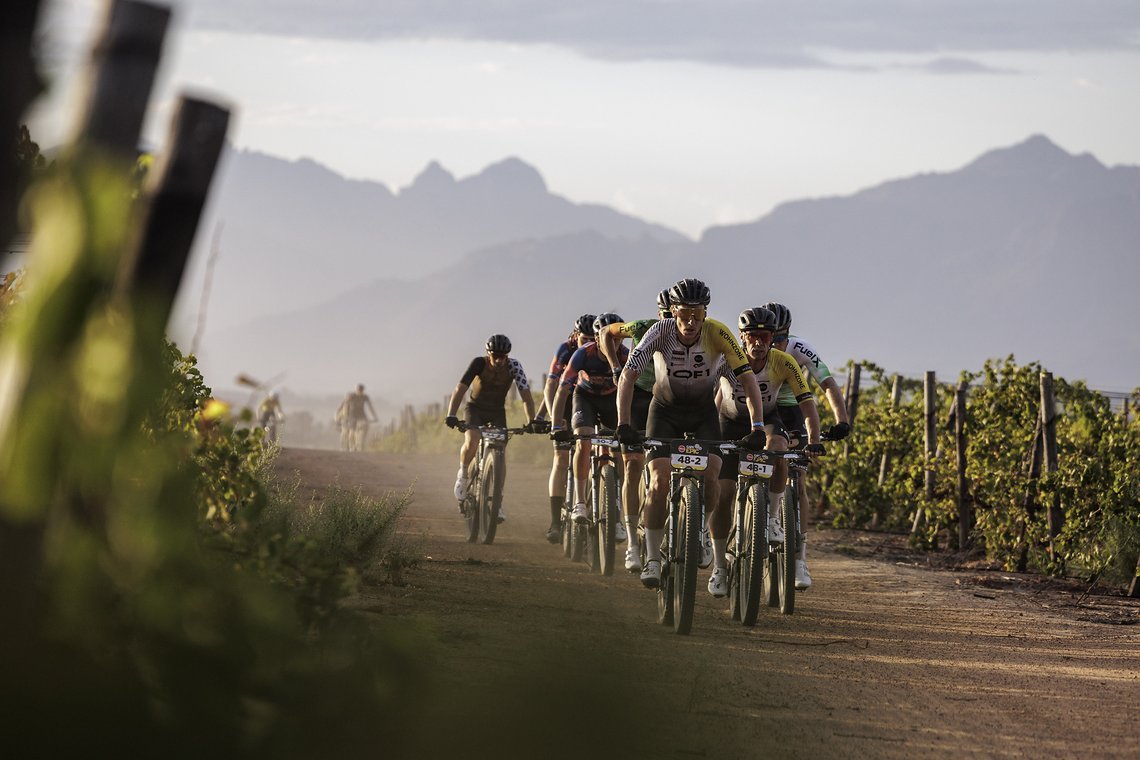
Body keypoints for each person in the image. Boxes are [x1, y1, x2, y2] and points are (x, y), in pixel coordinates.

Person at [613, 278, 767, 589]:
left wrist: (758, 426)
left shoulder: (717, 333)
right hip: (664, 410)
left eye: (697, 315)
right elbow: (628, 375)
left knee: (712, 474)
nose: (691, 322)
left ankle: (700, 533)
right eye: (684, 315)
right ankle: (654, 558)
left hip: (702, 414)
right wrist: (623, 424)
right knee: (658, 480)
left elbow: (748, 380)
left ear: (705, 313)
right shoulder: (659, 332)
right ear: (673, 312)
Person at [710, 307, 823, 598]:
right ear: (742, 337)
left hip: (768, 422)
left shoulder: (783, 362)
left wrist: (813, 438)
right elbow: (702, 389)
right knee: (722, 494)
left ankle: (771, 519)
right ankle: (720, 567)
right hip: (729, 423)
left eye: (765, 336)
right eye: (753, 337)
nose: (759, 343)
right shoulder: (725, 359)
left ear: (773, 338)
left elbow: (807, 402)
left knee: (779, 450)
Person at [762, 302, 851, 590]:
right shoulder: (750, 344)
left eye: (780, 338)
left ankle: (800, 558)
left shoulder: (800, 348)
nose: (774, 344)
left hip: (791, 407)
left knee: (798, 478)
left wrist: (842, 421)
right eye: (769, 338)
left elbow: (826, 383)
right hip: (763, 406)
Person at [597, 288, 674, 572]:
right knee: (632, 468)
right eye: (666, 315)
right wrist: (616, 366)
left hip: (670, 403)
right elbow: (607, 332)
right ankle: (631, 543)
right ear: (659, 315)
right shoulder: (643, 327)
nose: (672, 320)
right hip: (640, 398)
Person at [445, 334, 542, 523]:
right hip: (475, 409)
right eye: (495, 355)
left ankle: (496, 501)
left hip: (497, 411)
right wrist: (451, 414)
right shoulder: (478, 363)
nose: (499, 360)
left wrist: (531, 421)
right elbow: (460, 389)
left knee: (500, 452)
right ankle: (463, 474)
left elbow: (526, 395)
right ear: (488, 353)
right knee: (472, 440)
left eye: (503, 356)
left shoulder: (514, 366)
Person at [549, 312, 628, 534]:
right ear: (597, 338)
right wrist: (556, 427)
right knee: (583, 441)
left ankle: (618, 513)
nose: (613, 344)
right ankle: (580, 503)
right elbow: (563, 390)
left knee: (620, 451)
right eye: (608, 338)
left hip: (612, 401)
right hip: (585, 397)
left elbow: (633, 390)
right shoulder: (583, 354)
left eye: (618, 339)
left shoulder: (625, 355)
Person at [541, 314, 595, 542]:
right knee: (561, 459)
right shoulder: (566, 349)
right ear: (575, 336)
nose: (590, 343)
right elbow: (552, 384)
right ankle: (555, 522)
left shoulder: (601, 350)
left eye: (594, 338)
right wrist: (555, 419)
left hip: (589, 401)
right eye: (585, 339)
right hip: (565, 402)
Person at [337, 384, 379, 452]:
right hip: (352, 416)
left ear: (363, 391)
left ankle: (359, 445)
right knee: (351, 434)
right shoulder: (352, 396)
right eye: (359, 390)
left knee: (364, 428)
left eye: (361, 391)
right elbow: (344, 403)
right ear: (356, 390)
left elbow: (370, 407)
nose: (360, 392)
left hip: (362, 416)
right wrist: (338, 413)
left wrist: (375, 416)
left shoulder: (365, 397)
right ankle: (351, 447)